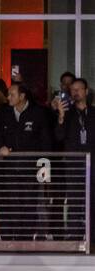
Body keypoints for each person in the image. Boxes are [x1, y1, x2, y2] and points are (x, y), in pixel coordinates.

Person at [0, 83, 54, 240]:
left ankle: (26, 239)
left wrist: (44, 166)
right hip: (11, 167)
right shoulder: (5, 112)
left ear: (22, 96)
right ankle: (14, 238)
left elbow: (46, 141)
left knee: (29, 204)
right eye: (8, 94)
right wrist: (1, 147)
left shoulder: (38, 113)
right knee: (13, 204)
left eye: (12, 94)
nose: (8, 97)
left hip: (31, 168)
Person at [55, 78, 93, 240]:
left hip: (92, 162)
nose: (76, 92)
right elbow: (58, 137)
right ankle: (74, 237)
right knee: (75, 200)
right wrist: (61, 117)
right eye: (73, 89)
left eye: (79, 89)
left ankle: (91, 237)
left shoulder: (93, 113)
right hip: (74, 164)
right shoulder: (67, 114)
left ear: (86, 91)